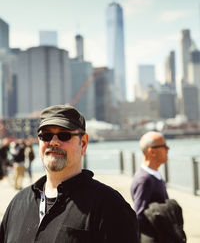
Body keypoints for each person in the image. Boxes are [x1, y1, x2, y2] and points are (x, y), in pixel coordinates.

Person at [0, 104, 139, 243]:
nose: (54, 142)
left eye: (64, 135)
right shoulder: (18, 203)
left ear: (83, 143)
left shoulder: (110, 207)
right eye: (46, 135)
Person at [131, 131, 169, 243]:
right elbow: (139, 215)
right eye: (164, 146)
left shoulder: (153, 174)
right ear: (151, 151)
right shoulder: (144, 179)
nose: (168, 149)